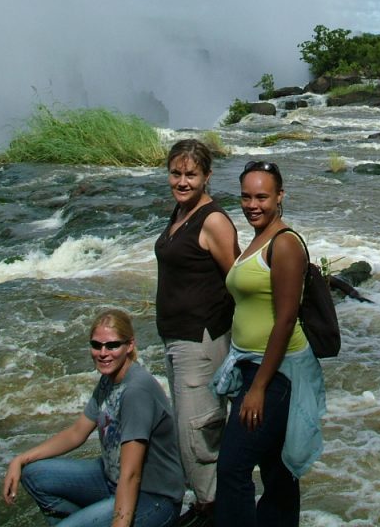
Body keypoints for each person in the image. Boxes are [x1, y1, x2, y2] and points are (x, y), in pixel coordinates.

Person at [211, 160, 326, 527]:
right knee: (277, 471)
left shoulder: (285, 243)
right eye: (245, 197)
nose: (252, 205)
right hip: (253, 366)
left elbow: (286, 318)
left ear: (280, 196)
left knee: (233, 468)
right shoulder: (258, 239)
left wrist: (258, 387)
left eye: (262, 196)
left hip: (275, 374)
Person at [2, 308, 184, 527]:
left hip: (154, 499)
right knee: (34, 475)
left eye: (112, 345)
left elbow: (131, 474)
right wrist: (20, 460)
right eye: (96, 345)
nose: (103, 352)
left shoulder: (137, 391)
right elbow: (76, 433)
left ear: (130, 345)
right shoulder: (109, 379)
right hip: (110, 482)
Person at [155, 139, 240, 527]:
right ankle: (208, 504)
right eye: (176, 173)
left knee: (199, 434)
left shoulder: (213, 220)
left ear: (207, 176)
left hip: (201, 341)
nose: (182, 181)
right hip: (178, 340)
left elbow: (238, 280)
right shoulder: (180, 212)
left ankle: (215, 510)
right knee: (190, 434)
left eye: (191, 174)